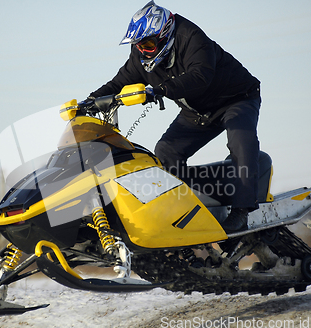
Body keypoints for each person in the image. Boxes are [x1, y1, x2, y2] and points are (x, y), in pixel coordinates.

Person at [85, 1, 261, 233]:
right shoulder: (141, 55)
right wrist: (89, 101)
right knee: (166, 151)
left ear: (165, 33)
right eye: (138, 45)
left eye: (147, 44)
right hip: (197, 112)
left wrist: (160, 90)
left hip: (236, 99)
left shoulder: (192, 38)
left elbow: (200, 76)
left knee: (241, 140)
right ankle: (184, 210)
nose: (142, 50)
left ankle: (242, 210)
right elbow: (120, 81)